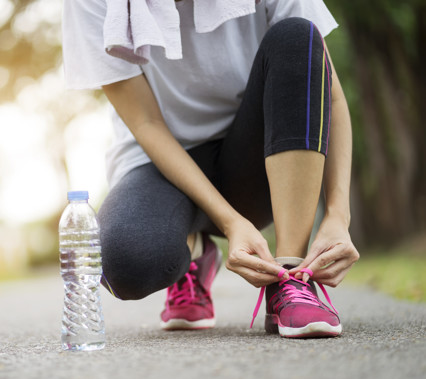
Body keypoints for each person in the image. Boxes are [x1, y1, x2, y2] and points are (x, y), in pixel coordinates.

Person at [62, 0, 360, 338]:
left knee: (297, 36)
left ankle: (290, 276)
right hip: (162, 162)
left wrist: (338, 215)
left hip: (257, 159)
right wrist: (230, 223)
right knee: (125, 263)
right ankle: (196, 253)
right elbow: (147, 123)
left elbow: (330, 97)